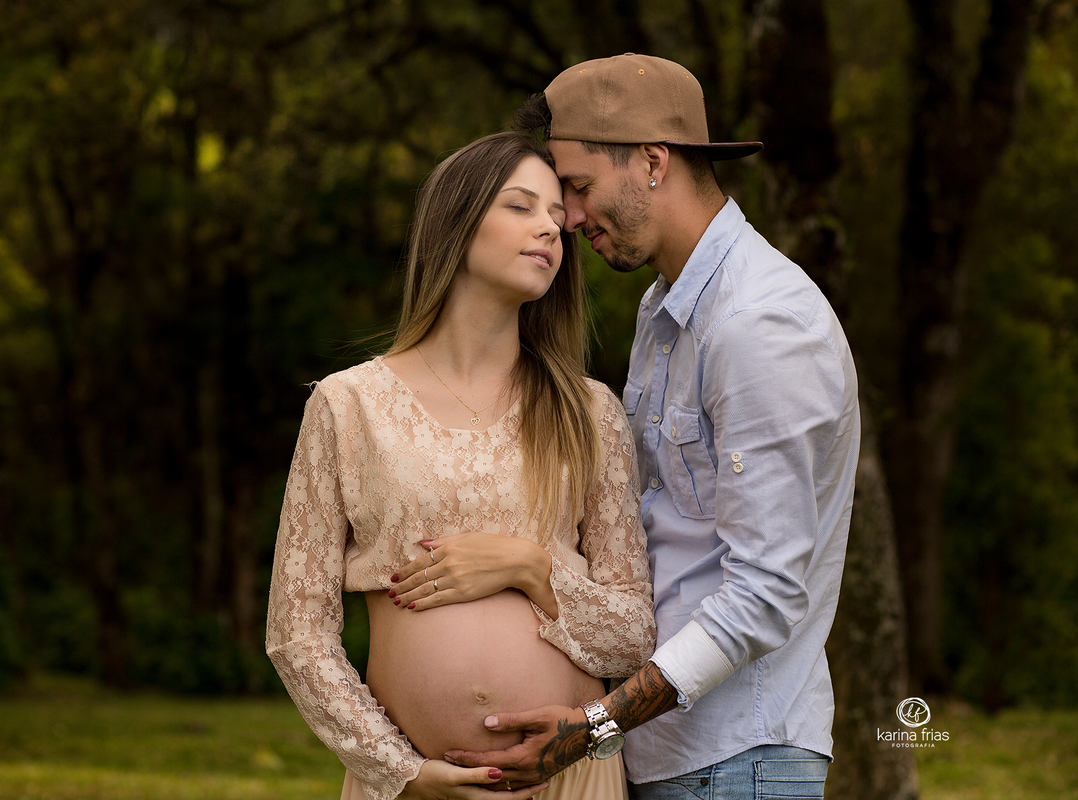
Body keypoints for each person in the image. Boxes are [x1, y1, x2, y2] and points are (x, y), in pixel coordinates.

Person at [441, 54, 861, 800]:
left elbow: (764, 592)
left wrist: (594, 725)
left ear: (652, 162)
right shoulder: (665, 310)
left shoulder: (759, 323)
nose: (567, 216)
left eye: (578, 186)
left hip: (739, 762)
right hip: (668, 755)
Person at [265, 130, 656, 800]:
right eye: (521, 207)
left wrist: (529, 566)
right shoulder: (347, 405)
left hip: (573, 777)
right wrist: (400, 771)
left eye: (559, 220)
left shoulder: (589, 412)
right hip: (417, 784)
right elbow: (297, 632)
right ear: (457, 220)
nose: (550, 230)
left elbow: (631, 639)